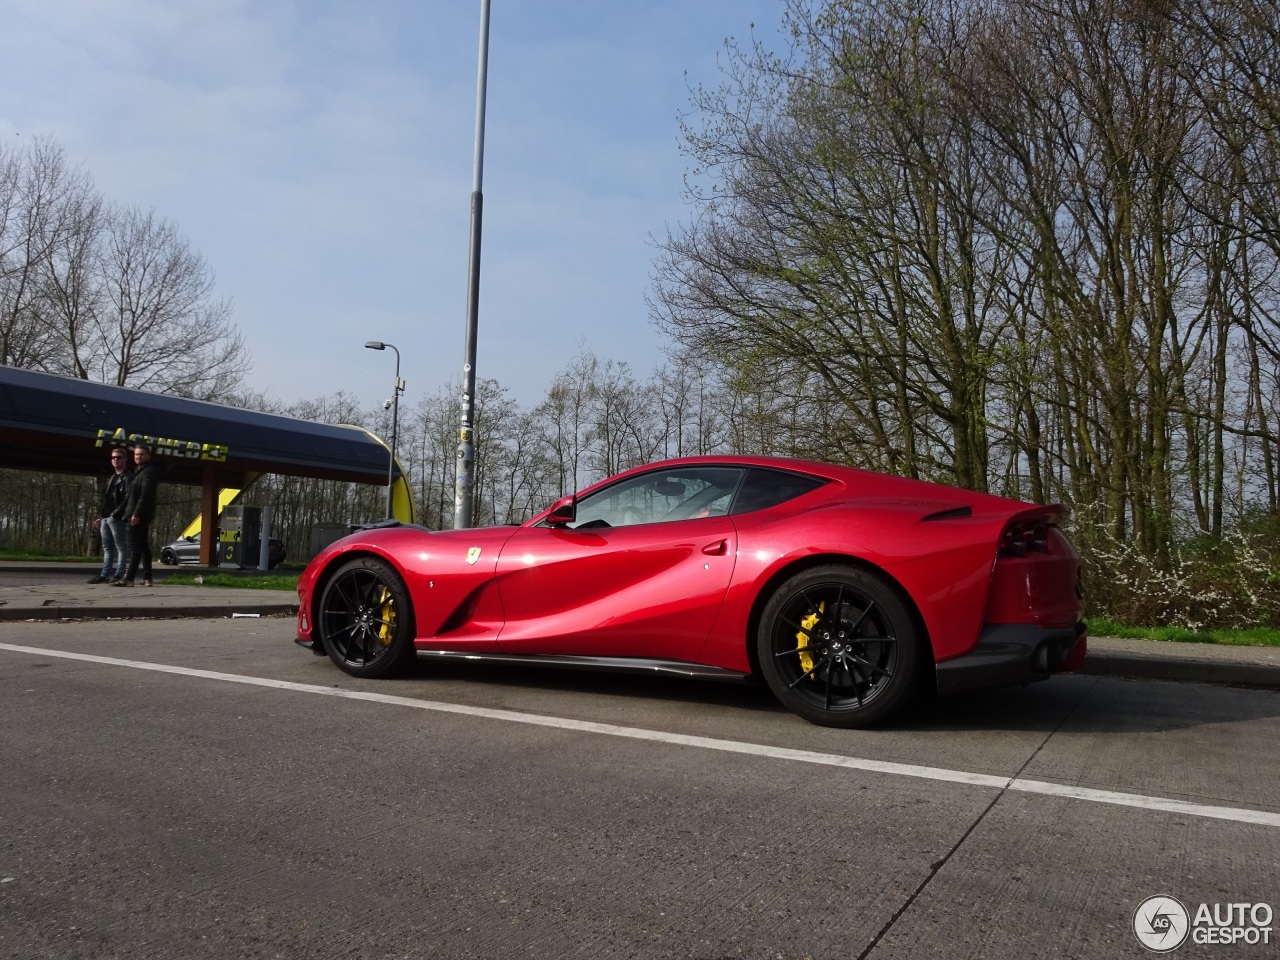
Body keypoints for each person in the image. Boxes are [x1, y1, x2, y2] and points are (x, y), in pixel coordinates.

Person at [115, 442, 159, 588]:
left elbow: (145, 495)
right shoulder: (139, 471)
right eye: (136, 454)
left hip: (139, 514)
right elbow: (130, 496)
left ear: (148, 456)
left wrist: (136, 514)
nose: (138, 457)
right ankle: (147, 578)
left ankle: (129, 578)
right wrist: (117, 512)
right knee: (143, 546)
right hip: (135, 512)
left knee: (134, 546)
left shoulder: (149, 472)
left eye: (141, 454)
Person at [88, 447, 133, 584]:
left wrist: (115, 514)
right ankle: (104, 574)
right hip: (106, 517)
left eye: (119, 457)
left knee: (120, 546)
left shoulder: (128, 477)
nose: (115, 459)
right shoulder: (113, 477)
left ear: (125, 459)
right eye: (113, 457)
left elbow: (128, 498)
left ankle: (119, 573)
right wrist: (102, 517)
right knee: (107, 548)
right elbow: (108, 499)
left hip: (117, 518)